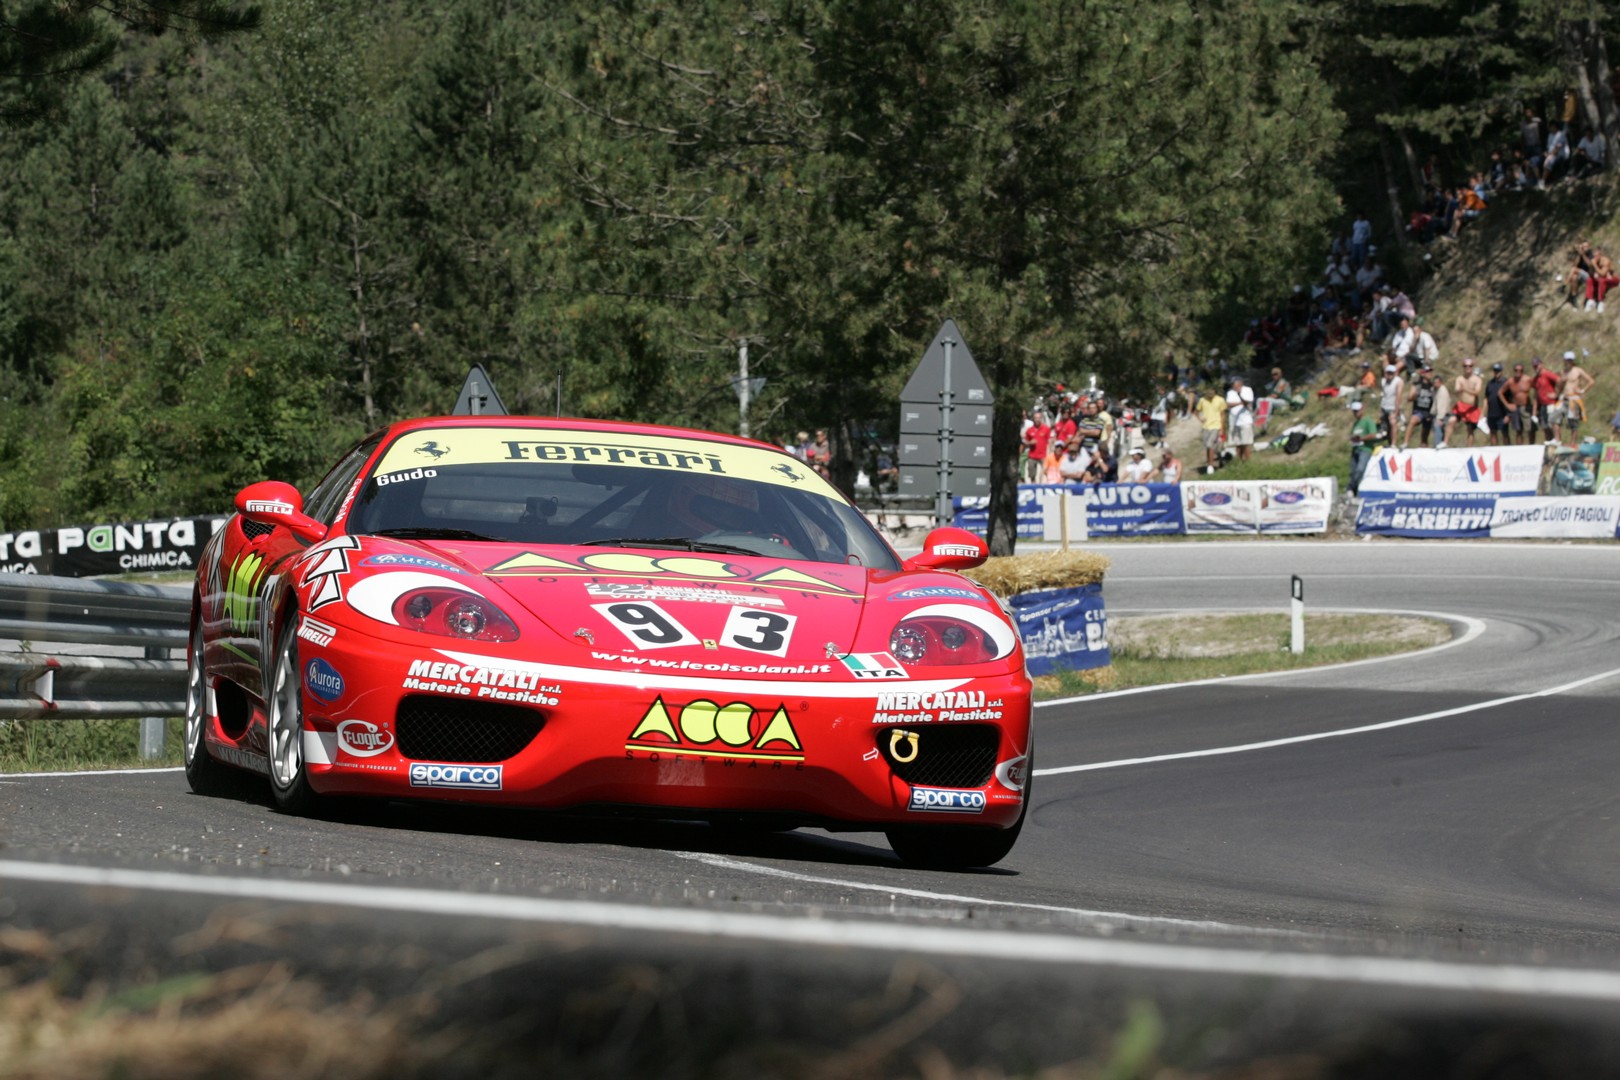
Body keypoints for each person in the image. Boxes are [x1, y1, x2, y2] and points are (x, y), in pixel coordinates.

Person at [1441, 357, 1485, 448]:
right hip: (1461, 405)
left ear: (1472, 367)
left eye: (1470, 366)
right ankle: (1445, 442)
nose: (1467, 368)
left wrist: (1465, 389)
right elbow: (1457, 390)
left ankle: (1469, 447)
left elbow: (1477, 392)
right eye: (1465, 366)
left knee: (1470, 429)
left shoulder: (1477, 379)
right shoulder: (1460, 379)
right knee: (1451, 420)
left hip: (1471, 407)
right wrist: (1460, 390)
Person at [1559, 350, 1596, 443]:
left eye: (1570, 360)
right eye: (1567, 360)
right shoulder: (1563, 372)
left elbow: (1591, 381)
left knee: (1573, 421)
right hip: (1564, 398)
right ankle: (1558, 440)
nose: (1569, 362)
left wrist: (1582, 390)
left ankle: (1572, 442)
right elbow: (1560, 386)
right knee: (1556, 418)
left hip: (1574, 398)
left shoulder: (1578, 370)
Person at [1403, 366, 1440, 448]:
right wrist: (1414, 395)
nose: (1430, 373)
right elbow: (1409, 398)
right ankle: (1406, 442)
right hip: (1419, 411)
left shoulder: (1432, 386)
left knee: (1424, 437)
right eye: (1427, 372)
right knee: (1412, 421)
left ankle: (1423, 447)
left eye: (1430, 371)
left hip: (1428, 412)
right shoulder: (1417, 385)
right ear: (1423, 373)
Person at [1349, 401, 1380, 495]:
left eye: (1357, 411)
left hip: (1365, 449)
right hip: (1356, 449)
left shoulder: (1368, 421)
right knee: (1353, 471)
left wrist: (1361, 438)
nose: (1355, 413)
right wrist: (1353, 439)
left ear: (1362, 410)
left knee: (1360, 469)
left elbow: (1373, 434)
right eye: (1354, 411)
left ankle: (1350, 488)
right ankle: (1354, 492)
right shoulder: (1356, 424)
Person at [1195, 385, 1226, 474]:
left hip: (1216, 426)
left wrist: (1222, 428)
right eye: (1208, 391)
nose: (1210, 393)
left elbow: (1223, 415)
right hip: (1206, 427)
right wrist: (1200, 419)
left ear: (1215, 391)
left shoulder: (1220, 400)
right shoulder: (1202, 400)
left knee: (1210, 445)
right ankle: (1220, 457)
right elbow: (1196, 411)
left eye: (1211, 391)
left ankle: (1210, 465)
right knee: (1208, 446)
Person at [1500, 362, 1534, 445]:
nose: (1518, 372)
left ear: (1523, 371)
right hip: (1516, 407)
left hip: (1526, 407)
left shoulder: (1527, 379)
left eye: (1520, 370)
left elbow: (1537, 387)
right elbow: (1500, 392)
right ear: (1514, 371)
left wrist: (1535, 402)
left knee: (1530, 429)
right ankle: (1519, 448)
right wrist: (1507, 405)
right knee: (1518, 430)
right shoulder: (1510, 381)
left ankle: (1532, 446)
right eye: (1516, 370)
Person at [1531, 357, 1563, 443]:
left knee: (1553, 422)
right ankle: (1549, 440)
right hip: (1542, 404)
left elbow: (1559, 380)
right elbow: (1535, 395)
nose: (1536, 367)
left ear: (1541, 364)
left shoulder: (1547, 374)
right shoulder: (1536, 379)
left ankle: (1557, 440)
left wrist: (1557, 394)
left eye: (1537, 365)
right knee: (1545, 425)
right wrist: (1534, 412)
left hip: (1551, 403)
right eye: (1534, 366)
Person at [1225, 377, 1256, 463]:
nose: (1234, 387)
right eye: (1233, 385)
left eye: (1236, 385)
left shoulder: (1247, 390)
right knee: (1238, 444)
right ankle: (1239, 461)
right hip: (1234, 421)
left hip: (1245, 421)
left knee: (1246, 443)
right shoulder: (1230, 392)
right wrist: (1240, 403)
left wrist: (1239, 395)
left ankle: (1248, 461)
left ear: (1240, 384)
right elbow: (1228, 404)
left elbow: (1247, 402)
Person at [1378, 363, 1404, 446]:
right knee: (1386, 425)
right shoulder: (1383, 381)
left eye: (1391, 373)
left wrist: (1397, 409)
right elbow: (1384, 395)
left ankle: (1394, 443)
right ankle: (1389, 442)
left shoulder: (1398, 381)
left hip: (1392, 406)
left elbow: (1398, 395)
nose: (1389, 375)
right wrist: (1381, 408)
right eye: (1388, 372)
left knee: (1393, 423)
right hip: (1385, 405)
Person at [1484, 363, 1510, 446]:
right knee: (1493, 433)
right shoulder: (1490, 383)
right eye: (1495, 371)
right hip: (1492, 413)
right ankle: (1494, 450)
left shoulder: (1506, 382)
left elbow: (1510, 399)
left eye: (1498, 371)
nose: (1496, 372)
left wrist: (1508, 414)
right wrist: (1484, 413)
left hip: (1502, 413)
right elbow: (1486, 398)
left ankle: (1508, 450)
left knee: (1505, 433)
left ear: (1501, 371)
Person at [1022, 412, 1051, 483]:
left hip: (1043, 455)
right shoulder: (1029, 430)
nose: (1037, 419)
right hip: (1032, 455)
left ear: (1041, 418)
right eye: (1036, 418)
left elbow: (1049, 441)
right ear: (1033, 419)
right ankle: (1033, 485)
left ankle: (1047, 484)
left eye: (1039, 418)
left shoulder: (1046, 429)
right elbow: (1025, 442)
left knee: (1046, 472)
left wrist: (1049, 452)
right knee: (1031, 473)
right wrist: (1030, 443)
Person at [1585, 247, 1617, 313]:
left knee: (1602, 280)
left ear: (1600, 255)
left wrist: (1595, 265)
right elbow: (1590, 272)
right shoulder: (1593, 261)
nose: (1595, 257)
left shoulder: (1606, 261)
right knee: (1589, 280)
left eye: (1597, 256)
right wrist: (1593, 273)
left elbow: (1602, 274)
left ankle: (1600, 302)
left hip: (1612, 279)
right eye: (1594, 256)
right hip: (1601, 279)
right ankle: (1590, 300)